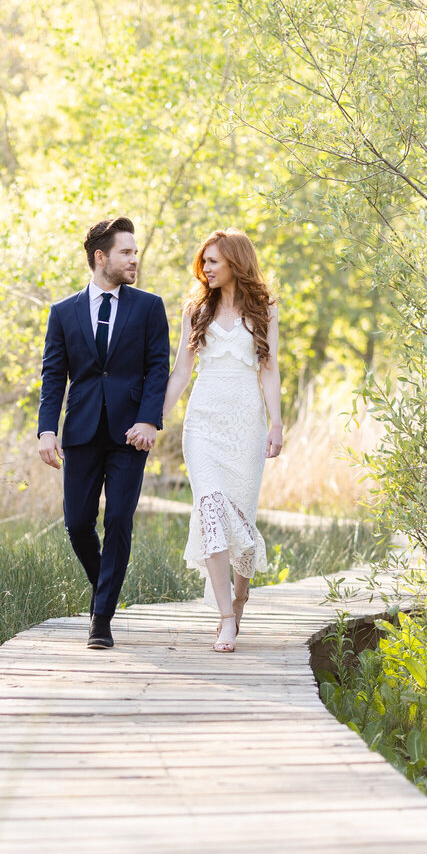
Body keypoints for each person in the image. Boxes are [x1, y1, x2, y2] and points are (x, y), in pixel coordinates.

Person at [37, 217, 171, 649]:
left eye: (136, 252)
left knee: (117, 519)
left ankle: (101, 618)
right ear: (101, 257)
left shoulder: (149, 306)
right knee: (77, 523)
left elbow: (157, 368)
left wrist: (150, 420)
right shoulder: (63, 312)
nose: (135, 259)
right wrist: (46, 430)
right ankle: (106, 588)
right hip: (80, 430)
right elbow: (54, 375)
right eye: (126, 252)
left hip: (131, 433)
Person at [161, 229, 284, 653]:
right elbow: (180, 372)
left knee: (243, 519)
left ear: (235, 261)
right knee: (210, 506)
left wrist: (276, 423)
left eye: (213, 261)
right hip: (204, 423)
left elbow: (268, 369)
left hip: (246, 423)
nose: (206, 268)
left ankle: (241, 595)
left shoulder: (264, 308)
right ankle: (225, 619)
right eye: (204, 262)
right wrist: (156, 417)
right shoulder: (195, 309)